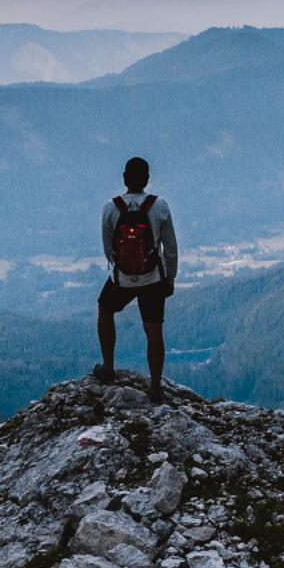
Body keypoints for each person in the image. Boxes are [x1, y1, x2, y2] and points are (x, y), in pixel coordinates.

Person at [94, 156, 176, 404]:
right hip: (153, 279)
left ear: (124, 178)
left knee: (105, 309)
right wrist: (169, 278)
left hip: (121, 280)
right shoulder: (160, 206)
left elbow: (108, 248)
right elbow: (170, 248)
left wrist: (121, 271)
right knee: (154, 330)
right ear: (147, 179)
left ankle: (108, 367)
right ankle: (155, 387)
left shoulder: (111, 207)